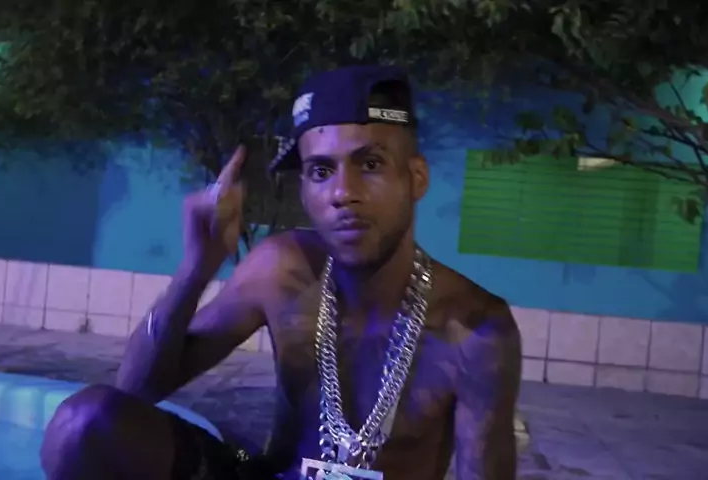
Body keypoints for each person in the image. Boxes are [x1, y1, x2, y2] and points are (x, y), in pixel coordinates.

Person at [40, 65, 522, 480]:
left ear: (415, 178)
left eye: (370, 164)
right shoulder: (282, 268)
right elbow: (137, 388)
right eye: (321, 171)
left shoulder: (476, 329)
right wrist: (196, 269)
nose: (342, 193)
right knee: (84, 425)